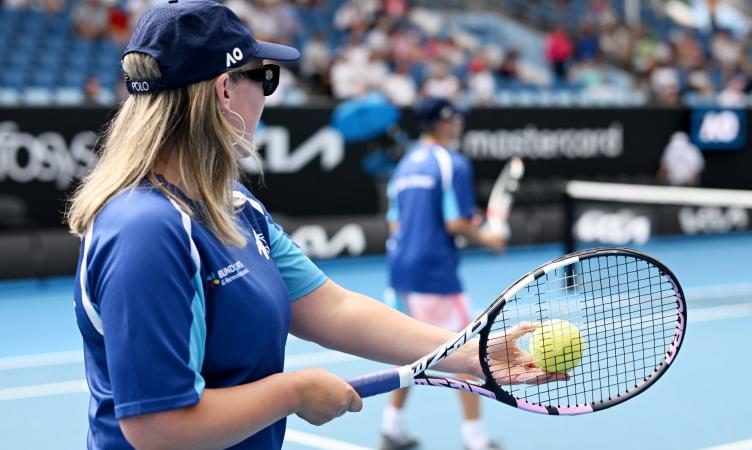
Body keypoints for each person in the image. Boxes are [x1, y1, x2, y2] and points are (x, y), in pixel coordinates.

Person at [65, 2, 541, 449]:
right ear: (224, 89)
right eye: (264, 77)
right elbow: (156, 426)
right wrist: (292, 393)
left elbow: (332, 308)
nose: (267, 97)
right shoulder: (146, 230)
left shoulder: (233, 203)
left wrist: (466, 352)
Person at [381, 97, 506, 450]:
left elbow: (397, 221)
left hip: (399, 269)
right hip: (434, 272)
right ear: (441, 123)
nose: (460, 125)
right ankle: (476, 440)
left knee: (405, 351)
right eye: (455, 119)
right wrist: (489, 238)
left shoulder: (404, 165)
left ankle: (393, 428)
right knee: (467, 351)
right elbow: (455, 223)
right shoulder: (452, 163)